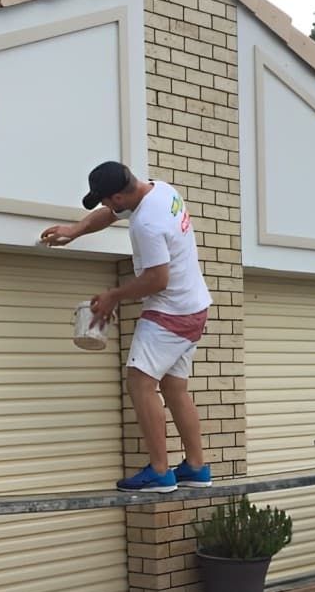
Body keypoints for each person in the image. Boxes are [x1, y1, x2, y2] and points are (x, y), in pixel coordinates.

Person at [41, 161, 213, 493]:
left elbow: (157, 279)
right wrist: (74, 230)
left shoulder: (147, 223)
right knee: (174, 388)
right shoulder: (160, 190)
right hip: (195, 307)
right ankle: (196, 467)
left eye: (107, 200)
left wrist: (113, 297)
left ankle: (160, 472)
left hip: (170, 312)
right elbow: (110, 215)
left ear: (119, 196)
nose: (107, 207)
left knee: (139, 383)